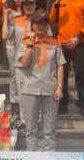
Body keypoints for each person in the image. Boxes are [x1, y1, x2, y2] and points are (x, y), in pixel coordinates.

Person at [17, 9, 65, 151]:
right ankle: (32, 154)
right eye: (37, 23)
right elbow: (24, 63)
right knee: (31, 127)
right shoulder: (25, 42)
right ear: (32, 25)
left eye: (44, 23)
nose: (41, 26)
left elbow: (60, 66)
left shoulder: (55, 43)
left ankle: (50, 155)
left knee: (49, 127)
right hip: (30, 88)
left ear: (48, 25)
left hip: (50, 89)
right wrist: (31, 45)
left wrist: (59, 88)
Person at [49, 0, 84, 115]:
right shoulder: (59, 2)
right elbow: (51, 20)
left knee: (81, 74)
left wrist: (77, 38)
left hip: (80, 43)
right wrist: (56, 4)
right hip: (62, 43)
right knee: (62, 75)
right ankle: (62, 104)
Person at [11, 0, 38, 129]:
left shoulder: (41, 20)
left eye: (31, 3)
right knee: (22, 92)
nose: (28, 6)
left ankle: (36, 120)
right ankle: (24, 120)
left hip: (37, 60)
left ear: (35, 5)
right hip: (20, 59)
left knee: (36, 91)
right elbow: (7, 36)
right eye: (26, 4)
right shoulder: (16, 20)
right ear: (22, 6)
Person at [2, 0, 27, 126]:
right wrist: (5, 12)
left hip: (26, 46)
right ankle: (14, 102)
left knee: (24, 75)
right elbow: (5, 31)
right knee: (14, 74)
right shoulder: (9, 11)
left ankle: (24, 103)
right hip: (12, 45)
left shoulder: (28, 10)